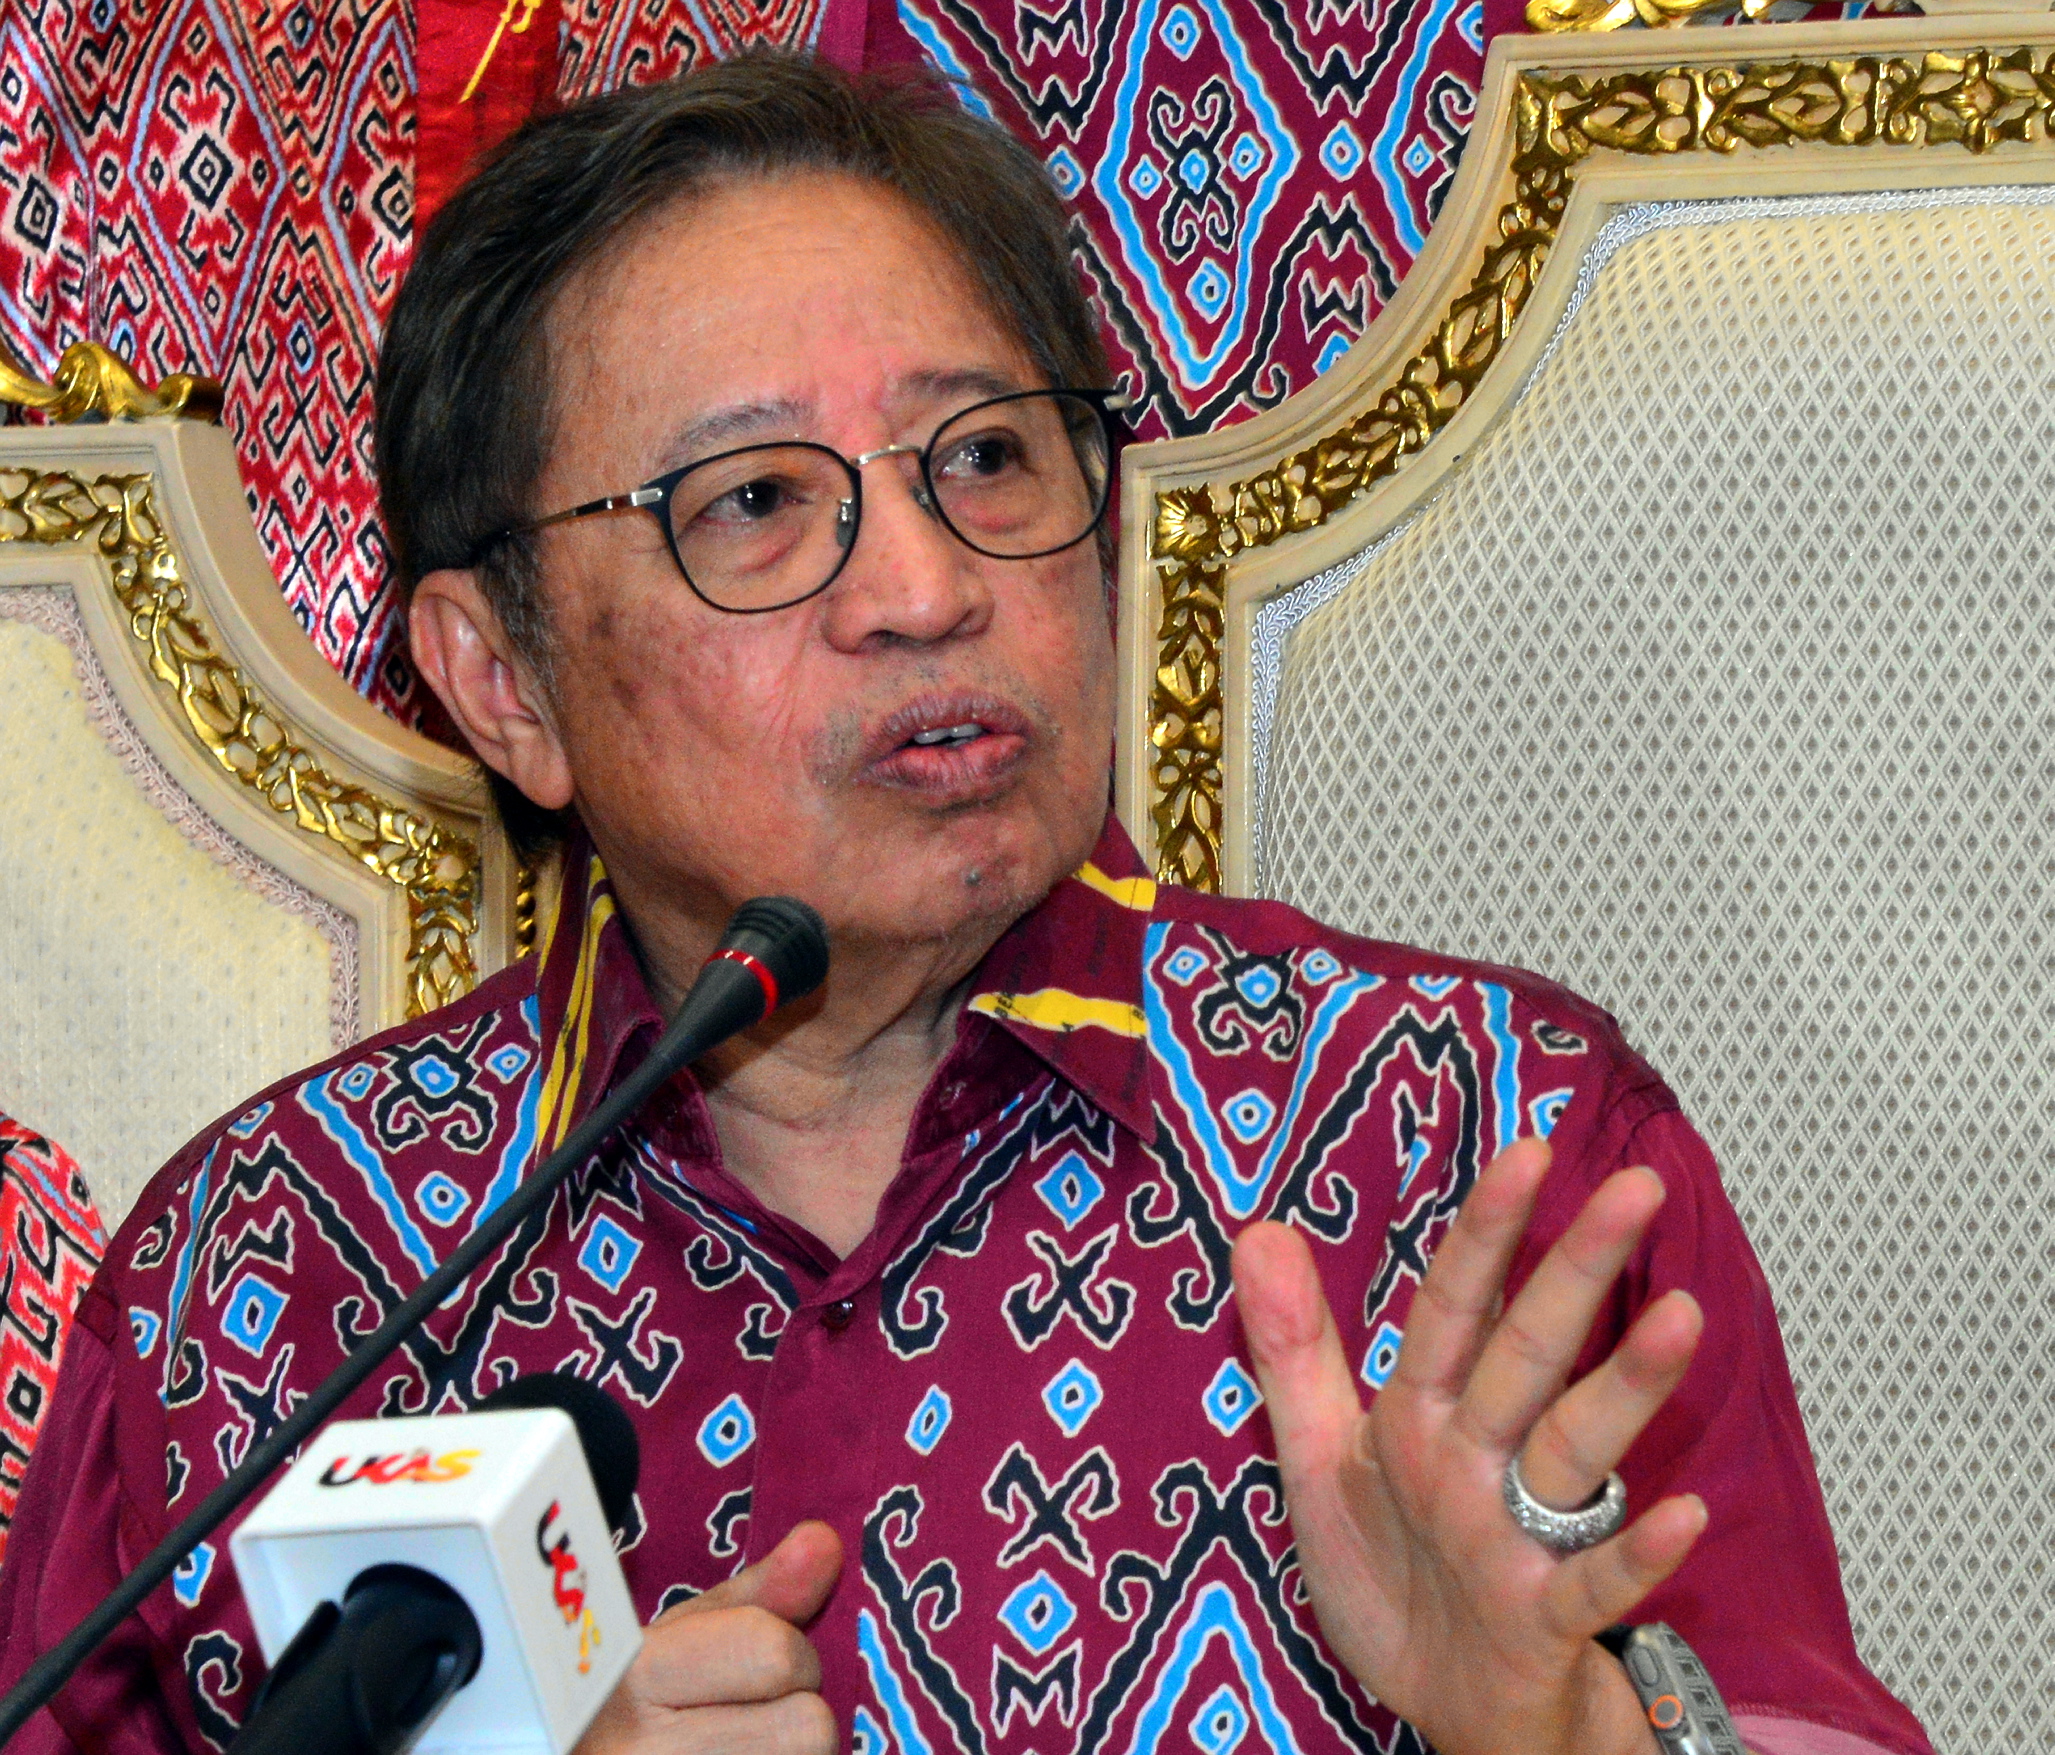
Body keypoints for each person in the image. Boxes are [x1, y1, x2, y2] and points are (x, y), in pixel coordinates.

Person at [0, 52, 1929, 1755]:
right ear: (503, 682)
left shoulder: (1484, 1148)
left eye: (987, 458)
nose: (926, 588)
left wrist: (1571, 1741)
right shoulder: (269, 1279)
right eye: (754, 503)